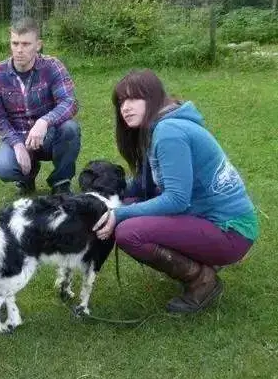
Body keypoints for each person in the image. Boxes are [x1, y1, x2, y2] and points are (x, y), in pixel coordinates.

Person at [94, 69, 258, 313]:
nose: (125, 108)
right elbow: (143, 185)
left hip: (231, 231)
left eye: (133, 99)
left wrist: (120, 214)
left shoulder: (169, 133)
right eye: (121, 101)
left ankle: (202, 280)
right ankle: (201, 258)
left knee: (129, 232)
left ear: (153, 98)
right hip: (211, 220)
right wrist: (104, 198)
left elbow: (177, 200)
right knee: (129, 202)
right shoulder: (160, 125)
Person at [0, 16, 81, 196]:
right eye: (15, 44)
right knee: (3, 167)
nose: (19, 50)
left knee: (70, 128)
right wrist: (17, 145)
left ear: (38, 45)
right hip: (18, 135)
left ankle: (61, 182)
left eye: (25, 44)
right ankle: (27, 178)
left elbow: (69, 102)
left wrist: (44, 122)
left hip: (49, 136)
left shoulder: (53, 66)